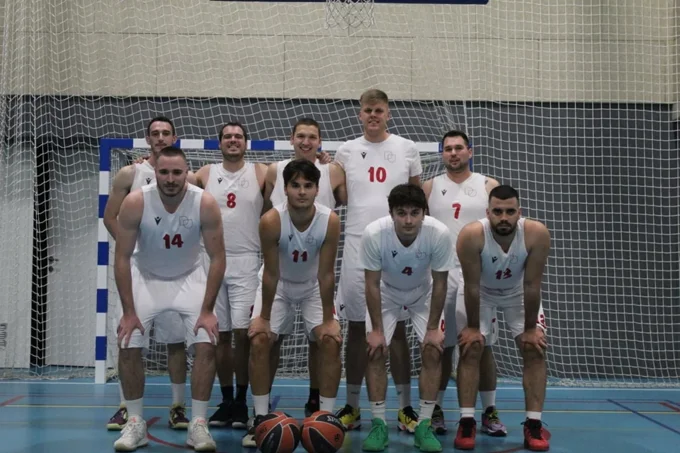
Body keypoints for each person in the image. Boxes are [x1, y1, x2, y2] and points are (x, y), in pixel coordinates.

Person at [113, 146, 225, 451]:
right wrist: (128, 312)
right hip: (146, 277)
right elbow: (122, 258)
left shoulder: (204, 202)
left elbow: (217, 258)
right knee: (127, 340)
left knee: (207, 339)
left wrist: (207, 310)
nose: (171, 179)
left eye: (177, 172)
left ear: (187, 172)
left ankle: (198, 424)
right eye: (164, 172)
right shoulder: (136, 202)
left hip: (190, 277)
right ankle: (135, 422)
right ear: (155, 173)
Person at [334, 89, 423, 432]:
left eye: (379, 110)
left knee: (397, 329)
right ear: (360, 114)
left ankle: (405, 407)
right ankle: (353, 405)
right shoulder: (346, 150)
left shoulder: (407, 148)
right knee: (357, 328)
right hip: (357, 245)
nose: (373, 115)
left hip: (397, 246)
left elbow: (415, 198)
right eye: (368, 110)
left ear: (388, 113)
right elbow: (340, 196)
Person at [103, 116, 193, 430]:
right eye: (155, 133)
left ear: (175, 138)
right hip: (136, 269)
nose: (161, 137)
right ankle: (125, 407)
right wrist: (133, 248)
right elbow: (110, 216)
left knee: (176, 342)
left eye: (166, 133)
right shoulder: (131, 173)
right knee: (128, 338)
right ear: (147, 139)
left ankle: (178, 406)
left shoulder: (186, 176)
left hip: (173, 269)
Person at [246, 159, 342, 444]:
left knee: (330, 341)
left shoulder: (330, 220)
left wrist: (329, 321)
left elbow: (326, 274)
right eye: (295, 185)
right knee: (260, 339)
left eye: (308, 186)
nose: (302, 191)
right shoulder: (271, 220)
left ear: (317, 189)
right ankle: (260, 418)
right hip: (278, 286)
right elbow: (271, 273)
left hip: (313, 286)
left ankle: (326, 418)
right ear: (285, 189)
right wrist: (263, 318)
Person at [423, 130, 506, 436]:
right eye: (448, 149)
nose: (454, 153)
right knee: (440, 345)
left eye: (459, 148)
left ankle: (489, 410)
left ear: (470, 151)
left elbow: (502, 227)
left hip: (477, 275)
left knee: (481, 345)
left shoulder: (488, 185)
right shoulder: (429, 187)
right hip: (440, 274)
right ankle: (436, 409)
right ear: (442, 154)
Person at [455, 185, 550, 451]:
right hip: (481, 292)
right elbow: (472, 286)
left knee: (534, 348)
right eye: (497, 211)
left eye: (510, 211)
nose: (504, 217)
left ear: (520, 212)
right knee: (472, 346)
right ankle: (466, 421)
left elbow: (532, 284)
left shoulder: (536, 233)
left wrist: (530, 329)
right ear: (488, 213)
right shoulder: (472, 235)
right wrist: (473, 327)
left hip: (518, 292)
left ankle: (534, 424)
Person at [262, 117, 346, 418]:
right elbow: (264, 205)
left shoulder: (333, 171)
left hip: (314, 266)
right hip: (282, 264)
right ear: (291, 138)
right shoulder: (274, 170)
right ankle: (260, 410)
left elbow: (349, 200)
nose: (306, 141)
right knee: (267, 338)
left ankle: (319, 404)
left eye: (312, 137)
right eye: (301, 136)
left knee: (323, 338)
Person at [361, 183, 454, 452]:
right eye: (401, 213)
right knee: (376, 350)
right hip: (386, 293)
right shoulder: (374, 233)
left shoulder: (439, 233)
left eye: (415, 213)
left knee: (433, 349)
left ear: (424, 213)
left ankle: (424, 425)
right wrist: (377, 330)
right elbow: (371, 283)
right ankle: (379, 424)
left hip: (423, 294)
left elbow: (440, 283)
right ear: (391, 213)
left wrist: (433, 328)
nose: (409, 220)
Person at [194, 122, 267, 430]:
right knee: (219, 335)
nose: (233, 140)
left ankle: (241, 399)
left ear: (246, 143)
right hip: (210, 261)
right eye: (227, 136)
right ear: (219, 142)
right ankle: (226, 401)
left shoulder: (262, 172)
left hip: (246, 260)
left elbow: (297, 175)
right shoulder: (204, 174)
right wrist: (148, 163)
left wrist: (322, 160)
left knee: (243, 334)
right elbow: (168, 181)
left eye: (238, 136)